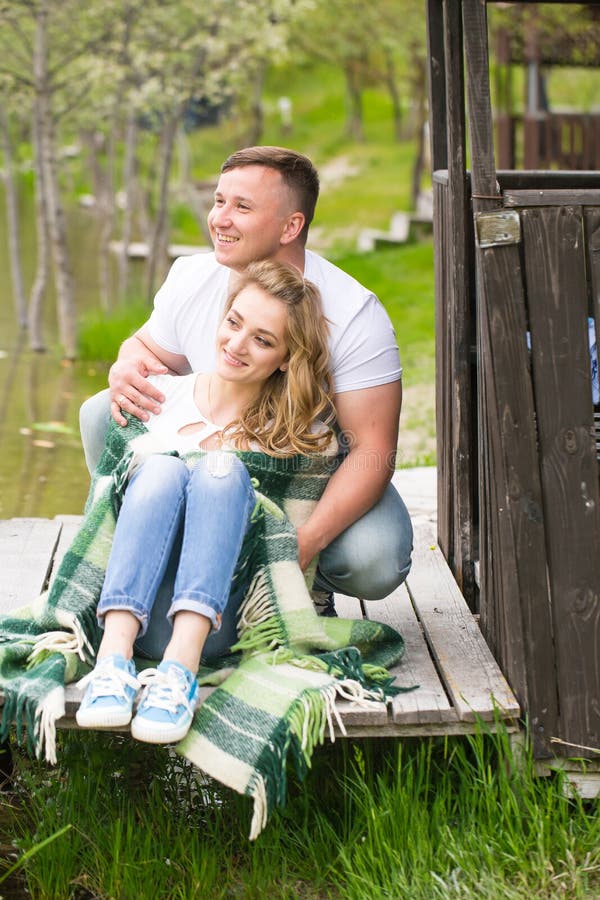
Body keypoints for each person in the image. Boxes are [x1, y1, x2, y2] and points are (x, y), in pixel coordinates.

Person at [79, 146, 413, 606]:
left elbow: (373, 450)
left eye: (242, 207)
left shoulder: (355, 315)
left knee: (376, 558)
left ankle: (302, 591)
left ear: (291, 226)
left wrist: (307, 541)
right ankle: (149, 561)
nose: (220, 219)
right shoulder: (191, 275)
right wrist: (124, 362)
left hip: (305, 476)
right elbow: (146, 349)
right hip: (212, 459)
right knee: (102, 411)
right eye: (219, 201)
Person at [75, 260, 337, 744]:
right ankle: (112, 665)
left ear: (285, 357)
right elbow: (103, 514)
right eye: (234, 322)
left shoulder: (300, 439)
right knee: (160, 467)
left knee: (221, 470)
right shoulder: (156, 399)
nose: (236, 345)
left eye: (262, 339)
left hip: (224, 626)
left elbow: (284, 558)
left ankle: (180, 672)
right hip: (128, 610)